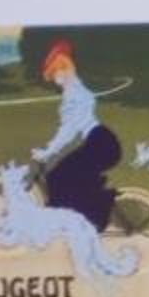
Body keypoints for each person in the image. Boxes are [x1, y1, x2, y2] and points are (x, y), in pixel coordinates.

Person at [34, 41, 121, 231]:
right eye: (53, 73)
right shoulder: (73, 91)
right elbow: (68, 128)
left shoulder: (75, 93)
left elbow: (69, 129)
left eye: (57, 71)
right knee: (64, 177)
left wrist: (48, 151)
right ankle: (77, 221)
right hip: (99, 142)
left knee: (58, 177)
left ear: (67, 69)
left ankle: (100, 208)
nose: (55, 77)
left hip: (101, 144)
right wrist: (49, 149)